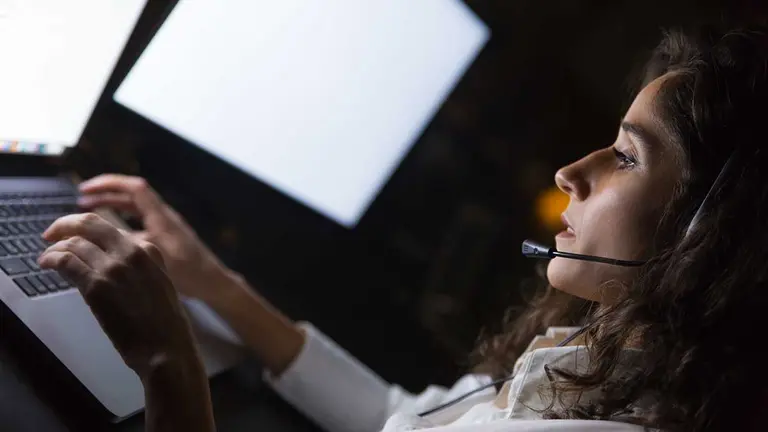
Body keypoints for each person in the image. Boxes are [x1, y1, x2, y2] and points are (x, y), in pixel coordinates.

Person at [37, 23, 768, 432]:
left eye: (627, 155)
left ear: (709, 241)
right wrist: (214, 283)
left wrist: (168, 364)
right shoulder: (622, 364)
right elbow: (402, 422)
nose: (571, 172)